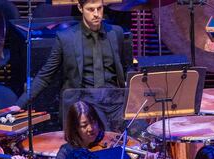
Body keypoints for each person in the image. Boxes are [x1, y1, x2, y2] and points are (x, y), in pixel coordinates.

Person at [15, 0, 133, 129]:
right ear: (80, 8)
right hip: (84, 102)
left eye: (99, 8)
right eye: (90, 9)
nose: (96, 14)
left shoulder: (116, 33)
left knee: (139, 129)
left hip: (114, 102)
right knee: (100, 131)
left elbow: (127, 68)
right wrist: (19, 104)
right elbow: (45, 76)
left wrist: (135, 98)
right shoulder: (66, 38)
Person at [45, 100, 132, 159]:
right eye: (84, 125)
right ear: (75, 128)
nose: (91, 128)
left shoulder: (107, 143)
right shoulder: (68, 150)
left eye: (93, 122)